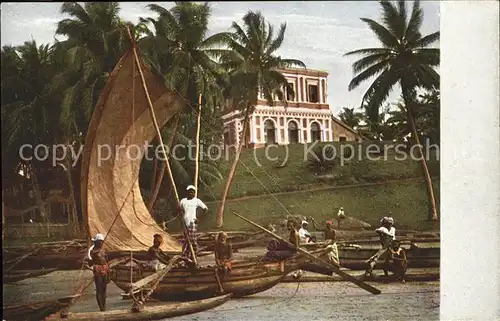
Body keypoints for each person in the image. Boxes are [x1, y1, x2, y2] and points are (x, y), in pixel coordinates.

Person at [178, 185, 208, 266]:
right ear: (187, 193)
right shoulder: (183, 201)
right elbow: (178, 210)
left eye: (193, 192)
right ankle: (188, 257)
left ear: (194, 193)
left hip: (192, 223)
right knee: (187, 241)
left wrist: (199, 219)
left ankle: (192, 257)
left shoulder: (196, 201)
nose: (191, 193)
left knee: (192, 241)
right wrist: (180, 212)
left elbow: (205, 209)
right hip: (185, 224)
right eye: (190, 192)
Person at [87, 233, 109, 312]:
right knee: (99, 289)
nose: (101, 243)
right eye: (99, 241)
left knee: (104, 289)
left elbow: (107, 261)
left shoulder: (104, 250)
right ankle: (101, 308)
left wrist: (108, 273)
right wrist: (90, 258)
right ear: (96, 242)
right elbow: (90, 263)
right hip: (98, 270)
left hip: (105, 269)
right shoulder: (93, 251)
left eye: (102, 241)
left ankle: (104, 307)